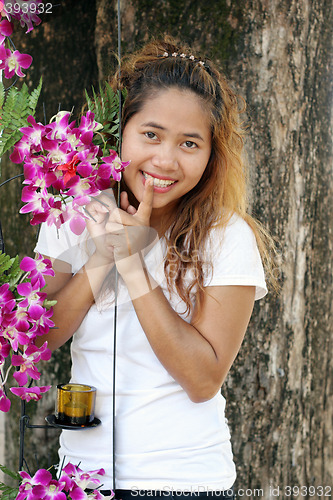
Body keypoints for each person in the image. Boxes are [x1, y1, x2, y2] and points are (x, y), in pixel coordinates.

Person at [35, 36, 275, 500]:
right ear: (119, 131)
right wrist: (103, 253)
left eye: (189, 143)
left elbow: (202, 380)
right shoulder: (71, 213)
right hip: (80, 481)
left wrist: (132, 264)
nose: (165, 160)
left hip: (184, 483)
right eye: (151, 134)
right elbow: (38, 338)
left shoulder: (228, 236)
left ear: (210, 156)